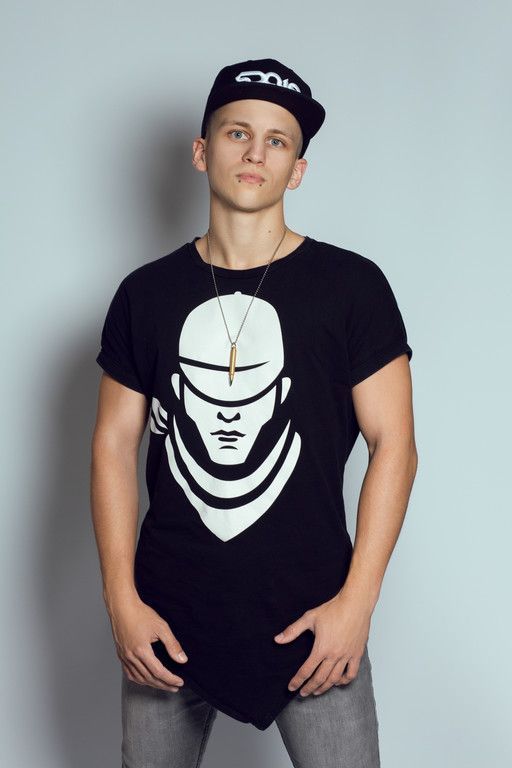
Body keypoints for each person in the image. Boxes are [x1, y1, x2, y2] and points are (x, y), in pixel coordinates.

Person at [90, 57, 417, 768]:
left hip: (314, 621)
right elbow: (113, 444)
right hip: (166, 620)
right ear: (202, 151)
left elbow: (394, 442)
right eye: (237, 133)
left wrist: (356, 605)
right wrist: (122, 601)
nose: (255, 153)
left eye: (277, 141)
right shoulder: (145, 295)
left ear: (297, 170)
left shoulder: (352, 287)